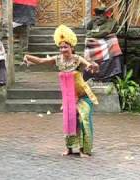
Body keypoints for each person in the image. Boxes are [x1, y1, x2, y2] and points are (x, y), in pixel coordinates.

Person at [23, 25, 99, 157]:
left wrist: (93, 67)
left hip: (83, 96)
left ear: (72, 48)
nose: (63, 50)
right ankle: (69, 148)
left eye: (66, 47)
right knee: (69, 119)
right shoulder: (58, 59)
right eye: (61, 47)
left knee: (82, 118)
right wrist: (27, 56)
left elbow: (90, 66)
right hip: (69, 97)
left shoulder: (77, 59)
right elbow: (41, 60)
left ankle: (84, 150)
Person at [84, 6, 123, 82]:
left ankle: (110, 73)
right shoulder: (94, 21)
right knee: (88, 42)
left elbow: (106, 32)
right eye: (97, 14)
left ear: (105, 15)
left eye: (101, 14)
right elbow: (88, 30)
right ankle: (93, 72)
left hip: (106, 41)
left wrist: (92, 34)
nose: (99, 16)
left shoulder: (111, 22)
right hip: (95, 41)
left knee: (114, 42)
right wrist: (93, 21)